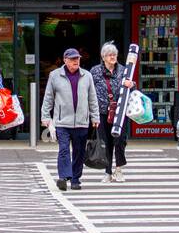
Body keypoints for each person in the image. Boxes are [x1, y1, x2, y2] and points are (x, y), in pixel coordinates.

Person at [40, 48, 99, 191]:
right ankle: (63, 177)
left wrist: (95, 116)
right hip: (62, 121)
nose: (75, 61)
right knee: (64, 149)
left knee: (79, 152)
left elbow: (92, 98)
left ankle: (75, 179)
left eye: (77, 59)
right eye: (72, 59)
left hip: (81, 121)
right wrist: (45, 116)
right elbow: (48, 97)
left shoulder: (87, 76)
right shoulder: (55, 75)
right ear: (65, 60)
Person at [89, 42, 136, 183]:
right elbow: (89, 91)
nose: (113, 57)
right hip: (103, 111)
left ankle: (119, 169)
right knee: (106, 142)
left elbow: (132, 89)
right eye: (110, 55)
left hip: (120, 111)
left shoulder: (123, 70)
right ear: (103, 57)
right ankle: (108, 172)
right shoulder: (95, 71)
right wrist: (92, 113)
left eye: (114, 54)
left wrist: (132, 85)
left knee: (120, 141)